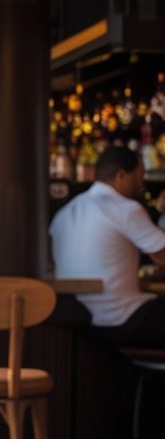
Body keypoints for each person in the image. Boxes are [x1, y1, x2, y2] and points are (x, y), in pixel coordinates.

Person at [50, 146, 165, 347]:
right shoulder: (124, 208)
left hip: (81, 320)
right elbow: (162, 256)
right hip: (122, 319)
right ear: (121, 175)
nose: (142, 184)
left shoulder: (65, 213)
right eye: (139, 175)